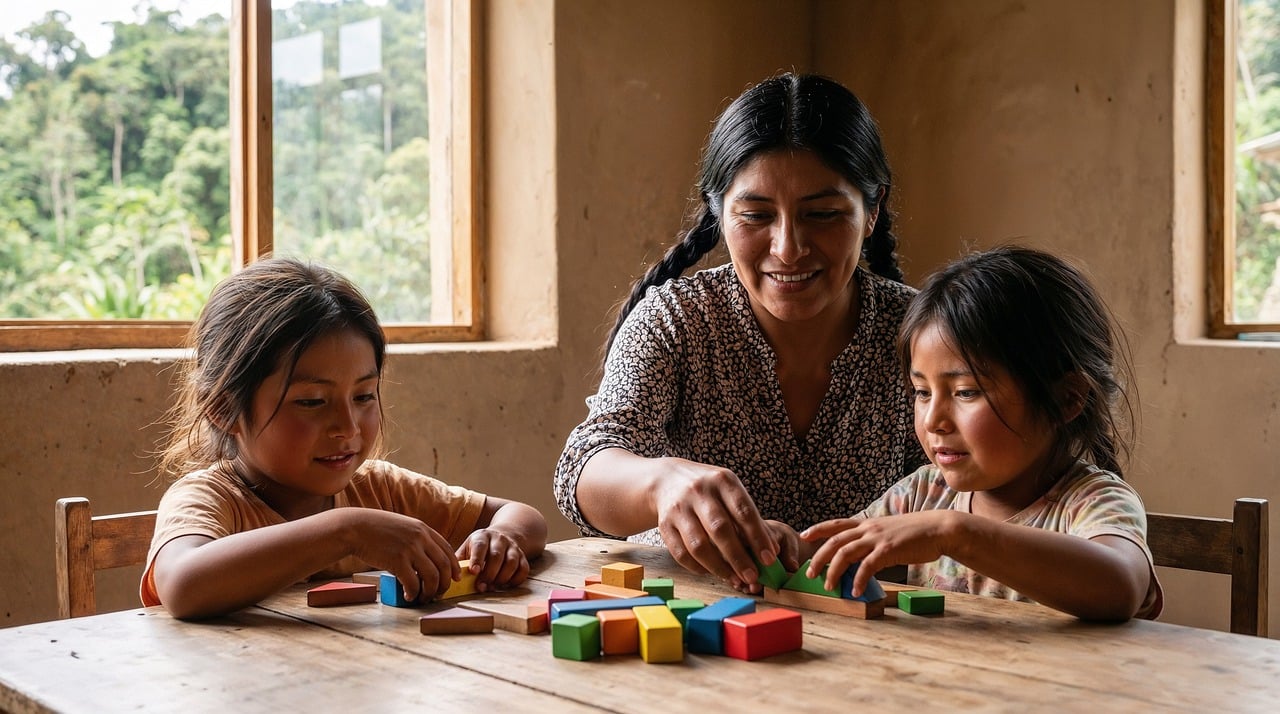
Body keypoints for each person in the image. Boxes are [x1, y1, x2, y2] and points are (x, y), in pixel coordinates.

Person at [553, 73, 927, 593]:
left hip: (878, 632)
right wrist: (661, 483)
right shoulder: (676, 321)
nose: (788, 248)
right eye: (755, 215)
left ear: (873, 209)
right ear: (719, 213)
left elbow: (974, 494)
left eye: (822, 214)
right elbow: (583, 469)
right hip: (693, 623)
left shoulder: (918, 332)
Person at [141, 257, 547, 619]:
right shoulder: (211, 498)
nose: (348, 427)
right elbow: (182, 584)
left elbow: (520, 515)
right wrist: (347, 531)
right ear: (222, 408)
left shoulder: (379, 490)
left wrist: (501, 539)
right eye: (312, 401)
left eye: (364, 396)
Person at [801, 245, 1163, 620]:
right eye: (922, 392)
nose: (933, 420)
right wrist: (782, 548)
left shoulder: (1092, 502)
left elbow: (1121, 587)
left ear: (1066, 399)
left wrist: (955, 534)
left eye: (966, 392)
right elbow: (830, 556)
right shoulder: (924, 493)